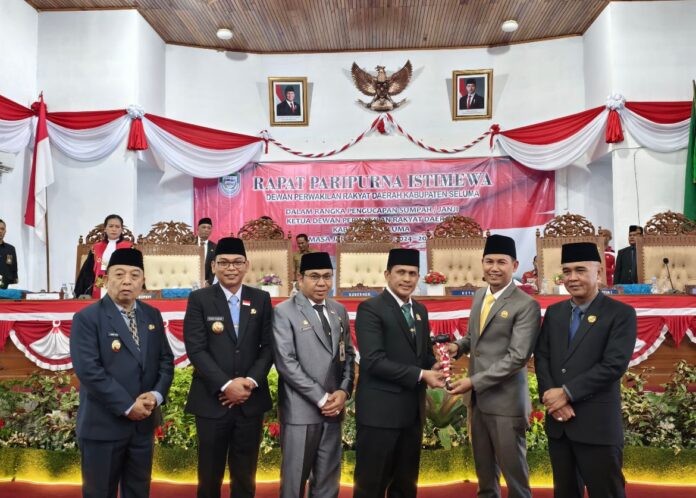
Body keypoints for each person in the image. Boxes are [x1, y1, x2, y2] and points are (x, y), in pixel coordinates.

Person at [70, 248, 174, 498]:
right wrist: (128, 406)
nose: (127, 281)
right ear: (106, 280)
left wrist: (156, 396)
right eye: (119, 274)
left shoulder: (152, 315)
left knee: (139, 491)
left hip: (142, 427)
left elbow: (165, 360)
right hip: (103, 426)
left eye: (134, 275)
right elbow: (89, 371)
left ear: (143, 281)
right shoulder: (87, 318)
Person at [534, 242, 636, 498]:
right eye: (566, 271)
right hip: (560, 425)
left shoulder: (620, 313)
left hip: (596, 425)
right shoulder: (555, 312)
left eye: (580, 270)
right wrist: (552, 399)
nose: (572, 278)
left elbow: (614, 365)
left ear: (599, 273)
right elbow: (542, 356)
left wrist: (566, 393)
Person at [446, 235, 541, 498]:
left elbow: (517, 357)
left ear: (515, 265)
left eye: (501, 262)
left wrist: (473, 381)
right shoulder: (479, 295)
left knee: (515, 477)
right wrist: (458, 347)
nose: (494, 268)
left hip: (506, 402)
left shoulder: (526, 304)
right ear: (482, 263)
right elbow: (474, 337)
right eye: (489, 261)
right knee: (485, 474)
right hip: (478, 401)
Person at [183, 237, 274, 498]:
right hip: (212, 401)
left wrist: (249, 382)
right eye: (223, 262)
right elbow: (196, 349)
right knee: (209, 476)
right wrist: (225, 385)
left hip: (249, 400)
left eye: (237, 262)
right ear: (213, 266)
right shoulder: (199, 299)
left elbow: (269, 347)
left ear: (247, 265)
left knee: (245, 476)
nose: (230, 268)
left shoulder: (261, 298)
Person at [353, 248, 445, 498]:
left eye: (412, 273)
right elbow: (373, 361)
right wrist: (422, 375)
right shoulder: (370, 309)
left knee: (405, 486)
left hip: (411, 414)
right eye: (401, 272)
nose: (407, 279)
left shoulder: (420, 310)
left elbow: (423, 354)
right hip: (379, 415)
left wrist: (434, 367)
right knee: (370, 486)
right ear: (387, 274)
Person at [273, 251, 355, 498]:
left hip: (334, 410)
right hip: (301, 411)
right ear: (300, 278)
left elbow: (348, 354)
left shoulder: (338, 310)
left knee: (328, 481)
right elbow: (286, 362)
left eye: (327, 276)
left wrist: (343, 391)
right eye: (315, 276)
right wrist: (321, 398)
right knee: (294, 481)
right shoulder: (284, 311)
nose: (322, 283)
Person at [75, 214, 134, 298]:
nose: (114, 229)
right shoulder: (96, 248)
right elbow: (87, 272)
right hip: (100, 280)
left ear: (121, 229)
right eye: (111, 226)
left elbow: (135, 271)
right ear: (105, 228)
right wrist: (80, 291)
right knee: (99, 297)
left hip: (122, 282)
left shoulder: (129, 247)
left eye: (117, 227)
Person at [197, 217, 217, 285]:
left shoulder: (214, 247)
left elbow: (214, 267)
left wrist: (209, 282)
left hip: (206, 283)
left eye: (209, 228)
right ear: (198, 229)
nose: (206, 230)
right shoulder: (190, 243)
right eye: (204, 227)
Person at [0, 219, 18, 289]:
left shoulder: (11, 249)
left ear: (5, 231)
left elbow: (14, 269)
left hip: (6, 289)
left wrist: (14, 284)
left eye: (2, 229)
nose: (0, 231)